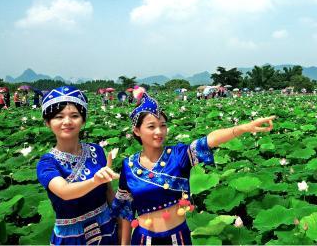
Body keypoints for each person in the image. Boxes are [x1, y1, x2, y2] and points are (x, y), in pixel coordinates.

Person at [111, 94, 275, 245]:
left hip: (178, 237)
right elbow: (126, 212)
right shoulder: (129, 166)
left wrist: (242, 128)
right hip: (142, 239)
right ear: (137, 131)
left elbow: (209, 140)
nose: (159, 132)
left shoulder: (179, 155)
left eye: (163, 125)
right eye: (151, 126)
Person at [36, 86, 119, 245]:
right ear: (48, 122)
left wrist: (121, 221)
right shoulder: (47, 163)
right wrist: (95, 180)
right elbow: (65, 192)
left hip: (107, 227)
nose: (67, 122)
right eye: (59, 117)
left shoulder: (97, 150)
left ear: (83, 120)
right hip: (72, 237)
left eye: (74, 116)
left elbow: (108, 191)